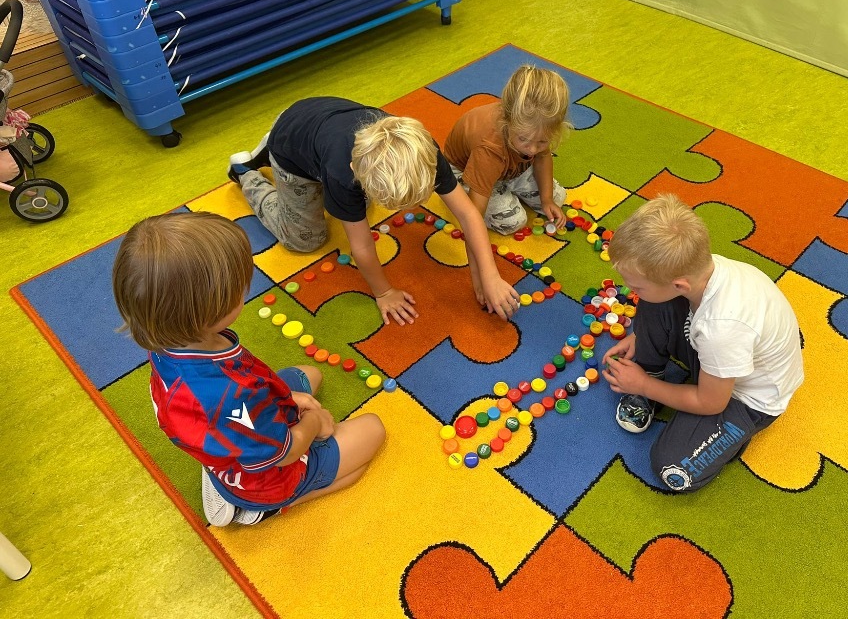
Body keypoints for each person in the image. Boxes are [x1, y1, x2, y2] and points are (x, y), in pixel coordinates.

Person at [111, 211, 387, 526]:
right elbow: (286, 453)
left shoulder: (164, 338)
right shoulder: (229, 396)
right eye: (238, 289)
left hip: (224, 431)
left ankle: (225, 466)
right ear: (208, 310)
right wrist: (313, 422)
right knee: (372, 431)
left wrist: (289, 399)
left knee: (310, 374)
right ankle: (266, 506)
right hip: (268, 476)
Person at [228, 98, 520, 327]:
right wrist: (383, 292)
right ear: (355, 170)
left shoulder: (423, 151)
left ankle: (289, 137)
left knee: (355, 206)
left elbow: (468, 214)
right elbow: (361, 245)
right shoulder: (343, 174)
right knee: (304, 239)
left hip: (320, 122)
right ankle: (246, 171)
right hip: (292, 150)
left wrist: (488, 276)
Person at [601, 195, 804, 493]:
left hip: (746, 398)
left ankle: (731, 433)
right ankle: (655, 375)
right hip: (723, 355)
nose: (630, 291)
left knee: (673, 468)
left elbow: (712, 403)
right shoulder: (699, 270)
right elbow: (665, 302)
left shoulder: (722, 328)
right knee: (654, 300)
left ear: (679, 285)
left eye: (635, 286)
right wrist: (642, 335)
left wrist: (643, 385)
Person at [442, 65, 571, 235]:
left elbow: (542, 157)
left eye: (542, 141)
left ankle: (506, 184)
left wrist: (546, 199)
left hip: (505, 168)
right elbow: (475, 212)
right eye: (524, 139)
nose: (533, 150)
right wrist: (471, 230)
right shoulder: (489, 149)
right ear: (507, 122)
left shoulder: (535, 129)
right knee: (513, 221)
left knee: (557, 197)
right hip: (465, 170)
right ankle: (456, 196)